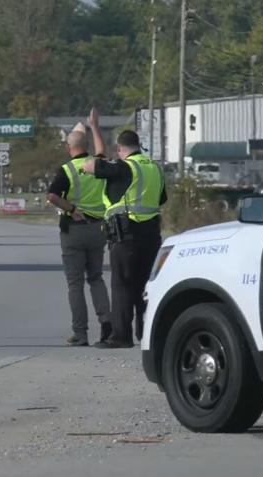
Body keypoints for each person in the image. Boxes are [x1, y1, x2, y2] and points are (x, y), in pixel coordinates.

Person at [83, 108, 166, 349]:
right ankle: (147, 333)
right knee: (145, 287)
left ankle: (121, 336)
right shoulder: (155, 168)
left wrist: (94, 129)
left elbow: (92, 165)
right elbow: (161, 199)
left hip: (125, 236)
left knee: (122, 286)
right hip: (151, 236)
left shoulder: (122, 167)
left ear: (120, 149)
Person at [46, 122, 112, 347]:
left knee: (75, 284)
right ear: (86, 146)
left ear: (68, 147)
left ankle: (80, 333)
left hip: (74, 230)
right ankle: (106, 322)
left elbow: (52, 196)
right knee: (96, 278)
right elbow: (102, 150)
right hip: (98, 228)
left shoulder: (66, 170)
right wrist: (94, 126)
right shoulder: (98, 164)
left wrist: (72, 210)